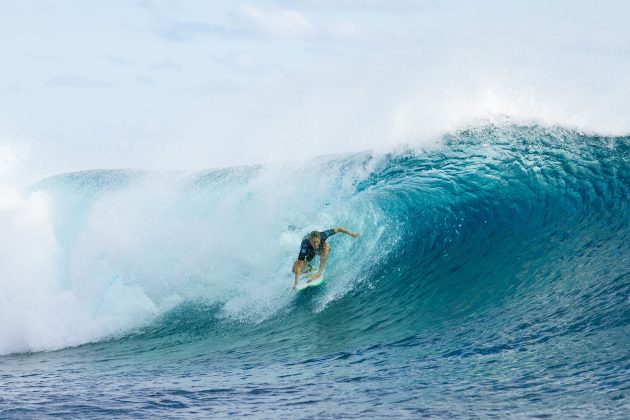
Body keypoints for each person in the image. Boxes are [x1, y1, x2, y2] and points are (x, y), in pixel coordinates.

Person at [292, 226, 360, 289]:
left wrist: (352, 234)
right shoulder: (304, 246)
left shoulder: (324, 235)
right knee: (295, 269)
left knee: (326, 246)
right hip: (310, 251)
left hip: (320, 250)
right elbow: (299, 266)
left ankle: (319, 272)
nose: (316, 244)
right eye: (313, 242)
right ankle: (309, 267)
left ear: (320, 239)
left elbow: (339, 229)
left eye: (317, 242)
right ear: (310, 240)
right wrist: (296, 283)